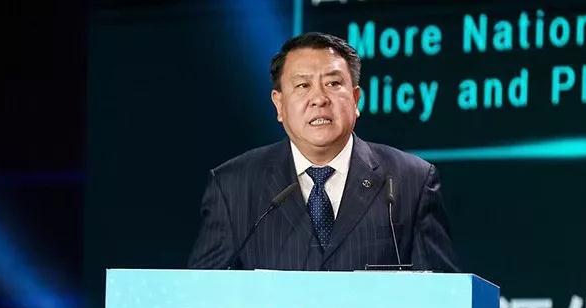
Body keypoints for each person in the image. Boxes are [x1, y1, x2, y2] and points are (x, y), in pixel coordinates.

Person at [188, 32, 458, 272]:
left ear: (355, 99)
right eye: (303, 85)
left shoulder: (411, 180)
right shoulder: (233, 185)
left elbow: (443, 297)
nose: (319, 99)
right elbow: (201, 297)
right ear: (279, 105)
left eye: (333, 84)